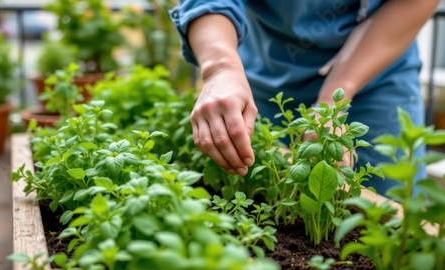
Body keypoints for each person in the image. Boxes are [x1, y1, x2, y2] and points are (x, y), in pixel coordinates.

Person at [169, 0, 440, 196]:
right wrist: (220, 68)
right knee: (264, 189)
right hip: (264, 67)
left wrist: (335, 97)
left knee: (389, 207)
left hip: (378, 65)